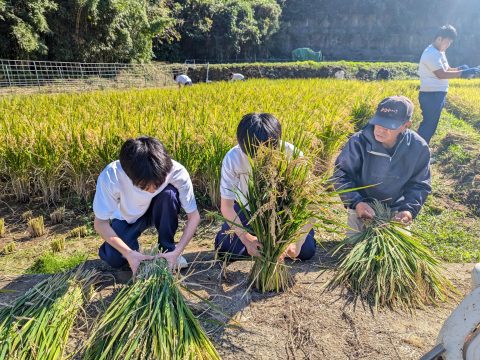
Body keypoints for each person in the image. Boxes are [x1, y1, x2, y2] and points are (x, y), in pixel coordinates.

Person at [214, 113, 316, 260]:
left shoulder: (293, 156)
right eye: (251, 153)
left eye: (265, 152)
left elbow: (311, 206)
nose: (258, 158)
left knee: (305, 251)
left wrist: (296, 242)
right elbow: (227, 206)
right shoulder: (233, 158)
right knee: (226, 248)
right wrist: (248, 240)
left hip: (285, 213)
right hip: (247, 211)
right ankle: (258, 249)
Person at [93, 136, 201, 274]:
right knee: (115, 259)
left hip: (160, 207)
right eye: (144, 186)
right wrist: (128, 253)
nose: (152, 190)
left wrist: (178, 250)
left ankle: (168, 251)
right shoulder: (112, 176)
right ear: (128, 174)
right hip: (127, 217)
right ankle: (131, 253)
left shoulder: (177, 172)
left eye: (158, 183)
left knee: (168, 194)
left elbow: (194, 216)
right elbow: (100, 223)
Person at [332, 96, 431, 233]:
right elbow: (341, 175)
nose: (380, 129)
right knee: (355, 246)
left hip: (397, 209)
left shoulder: (418, 147)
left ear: (406, 125)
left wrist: (408, 210)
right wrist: (356, 202)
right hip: (363, 205)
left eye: (389, 126)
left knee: (395, 252)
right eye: (378, 123)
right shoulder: (358, 142)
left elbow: (420, 184)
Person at [417, 24, 480, 144]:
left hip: (437, 94)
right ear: (439, 38)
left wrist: (460, 68)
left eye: (450, 42)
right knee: (428, 126)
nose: (448, 45)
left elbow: (447, 69)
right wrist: (464, 73)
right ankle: (418, 153)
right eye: (447, 42)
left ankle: (421, 151)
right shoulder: (430, 53)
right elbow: (441, 74)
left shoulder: (439, 51)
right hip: (431, 96)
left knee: (431, 125)